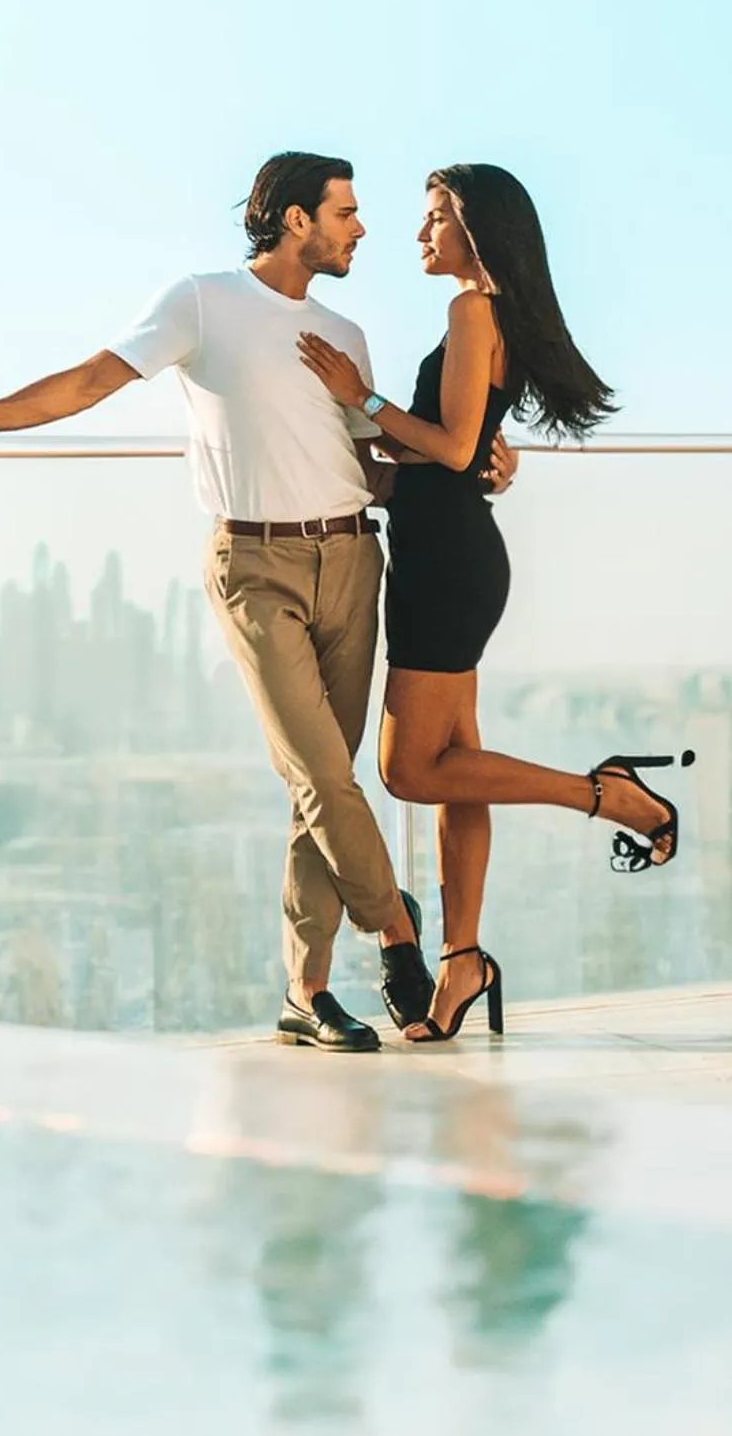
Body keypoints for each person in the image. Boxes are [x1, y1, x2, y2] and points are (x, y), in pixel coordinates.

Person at [0, 151, 515, 1053]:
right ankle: (396, 934)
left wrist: (478, 464)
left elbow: (373, 465)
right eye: (345, 213)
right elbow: (92, 379)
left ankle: (305, 993)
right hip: (254, 567)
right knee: (320, 776)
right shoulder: (203, 302)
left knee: (319, 787)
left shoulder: (343, 336)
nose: (361, 229)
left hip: (352, 559)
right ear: (296, 220)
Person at [297, 163, 694, 1044]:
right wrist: (375, 452)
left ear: (475, 229)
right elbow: (456, 452)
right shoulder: (488, 312)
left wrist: (358, 397)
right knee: (455, 765)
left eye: (435, 216)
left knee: (409, 772)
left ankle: (605, 795)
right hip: (444, 551)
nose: (419, 233)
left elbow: (450, 446)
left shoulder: (471, 310)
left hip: (445, 566)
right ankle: (461, 962)